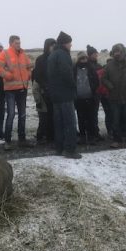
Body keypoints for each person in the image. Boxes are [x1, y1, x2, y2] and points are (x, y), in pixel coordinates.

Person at [0, 35, 33, 150]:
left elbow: (28, 66)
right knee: (11, 115)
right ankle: (7, 141)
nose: (19, 45)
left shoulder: (23, 54)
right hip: (10, 90)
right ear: (11, 43)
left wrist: (29, 74)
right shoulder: (5, 53)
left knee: (22, 115)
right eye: (16, 43)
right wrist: (7, 75)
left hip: (22, 89)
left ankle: (22, 140)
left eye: (19, 43)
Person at [47, 31, 81, 159]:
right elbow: (67, 74)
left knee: (59, 122)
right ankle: (70, 149)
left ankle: (60, 148)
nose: (71, 45)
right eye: (69, 42)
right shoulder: (63, 55)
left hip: (55, 94)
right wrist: (73, 85)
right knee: (69, 122)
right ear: (64, 43)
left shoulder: (52, 55)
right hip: (65, 94)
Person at [102, 43, 126, 149]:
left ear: (123, 52)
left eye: (119, 51)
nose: (117, 54)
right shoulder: (109, 66)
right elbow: (104, 79)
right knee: (115, 120)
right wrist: (111, 87)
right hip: (114, 98)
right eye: (115, 52)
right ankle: (117, 140)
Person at [33, 38, 56, 144]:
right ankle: (41, 135)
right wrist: (45, 87)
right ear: (47, 46)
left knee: (53, 114)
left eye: (54, 45)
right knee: (44, 115)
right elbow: (37, 75)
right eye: (51, 45)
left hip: (54, 90)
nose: (53, 47)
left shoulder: (55, 57)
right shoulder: (41, 59)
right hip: (43, 91)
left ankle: (51, 135)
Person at [74, 51, 99, 145]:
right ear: (78, 59)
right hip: (79, 98)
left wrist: (92, 89)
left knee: (91, 118)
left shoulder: (91, 68)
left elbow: (96, 81)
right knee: (81, 118)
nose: (83, 60)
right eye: (81, 58)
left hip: (90, 97)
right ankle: (83, 137)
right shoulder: (74, 69)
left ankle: (92, 137)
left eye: (85, 58)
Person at [87, 44, 104, 141]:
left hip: (97, 93)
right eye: (94, 54)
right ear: (90, 55)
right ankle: (91, 133)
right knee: (90, 114)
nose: (96, 55)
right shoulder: (88, 66)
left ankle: (95, 132)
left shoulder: (99, 66)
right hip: (89, 93)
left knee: (94, 113)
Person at [96, 60, 113, 138]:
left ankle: (110, 130)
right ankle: (112, 130)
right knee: (111, 113)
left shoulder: (99, 72)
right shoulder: (108, 72)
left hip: (104, 95)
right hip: (108, 95)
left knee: (109, 113)